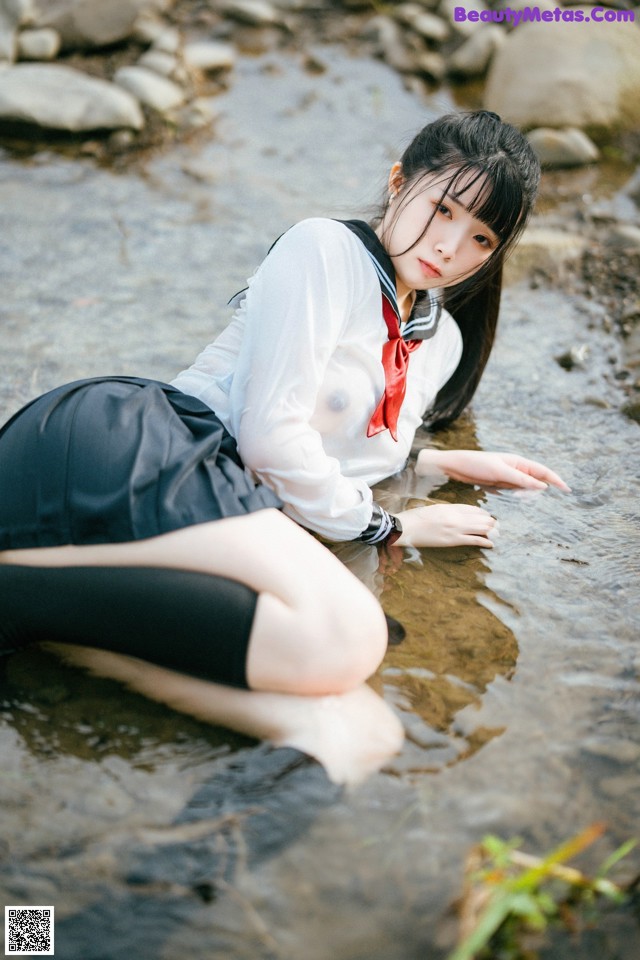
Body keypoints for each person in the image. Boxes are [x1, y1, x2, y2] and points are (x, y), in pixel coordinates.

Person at [0, 110, 567, 782]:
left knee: (357, 734)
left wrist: (426, 464)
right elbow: (271, 438)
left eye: (479, 237)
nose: (449, 245)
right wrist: (396, 524)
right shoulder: (324, 249)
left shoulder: (438, 341)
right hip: (139, 448)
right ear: (398, 183)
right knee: (353, 635)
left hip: (207, 504)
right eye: (442, 208)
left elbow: (339, 460)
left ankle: (190, 877)